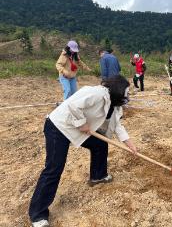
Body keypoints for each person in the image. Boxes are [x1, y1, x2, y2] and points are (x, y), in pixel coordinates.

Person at [29, 75, 137, 227]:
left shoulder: (115, 104)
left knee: (99, 143)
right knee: (54, 168)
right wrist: (82, 123)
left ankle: (98, 176)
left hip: (77, 128)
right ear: (117, 90)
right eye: (126, 92)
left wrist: (129, 144)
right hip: (59, 127)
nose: (127, 95)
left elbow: (117, 125)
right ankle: (37, 215)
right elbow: (73, 105)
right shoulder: (97, 93)